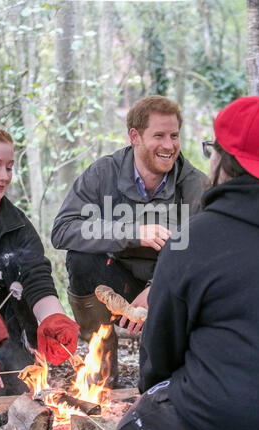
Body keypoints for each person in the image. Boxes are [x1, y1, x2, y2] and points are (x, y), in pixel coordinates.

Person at [114, 96, 259, 430]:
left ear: (223, 161)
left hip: (225, 422)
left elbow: (159, 359)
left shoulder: (194, 239)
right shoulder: (106, 172)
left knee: (134, 428)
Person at [51, 95, 209, 385]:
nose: (169, 145)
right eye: (159, 135)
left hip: (167, 285)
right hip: (115, 278)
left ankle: (160, 373)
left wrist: (157, 288)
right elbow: (63, 230)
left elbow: (205, 256)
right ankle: (101, 359)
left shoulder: (195, 185)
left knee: (153, 380)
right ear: (134, 136)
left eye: (174, 136)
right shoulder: (103, 173)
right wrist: (132, 232)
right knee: (82, 257)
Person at [0, 124, 79, 397]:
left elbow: (36, 278)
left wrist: (53, 318)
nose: (5, 176)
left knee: (19, 393)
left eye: (10, 167)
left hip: (4, 336)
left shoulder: (17, 225)